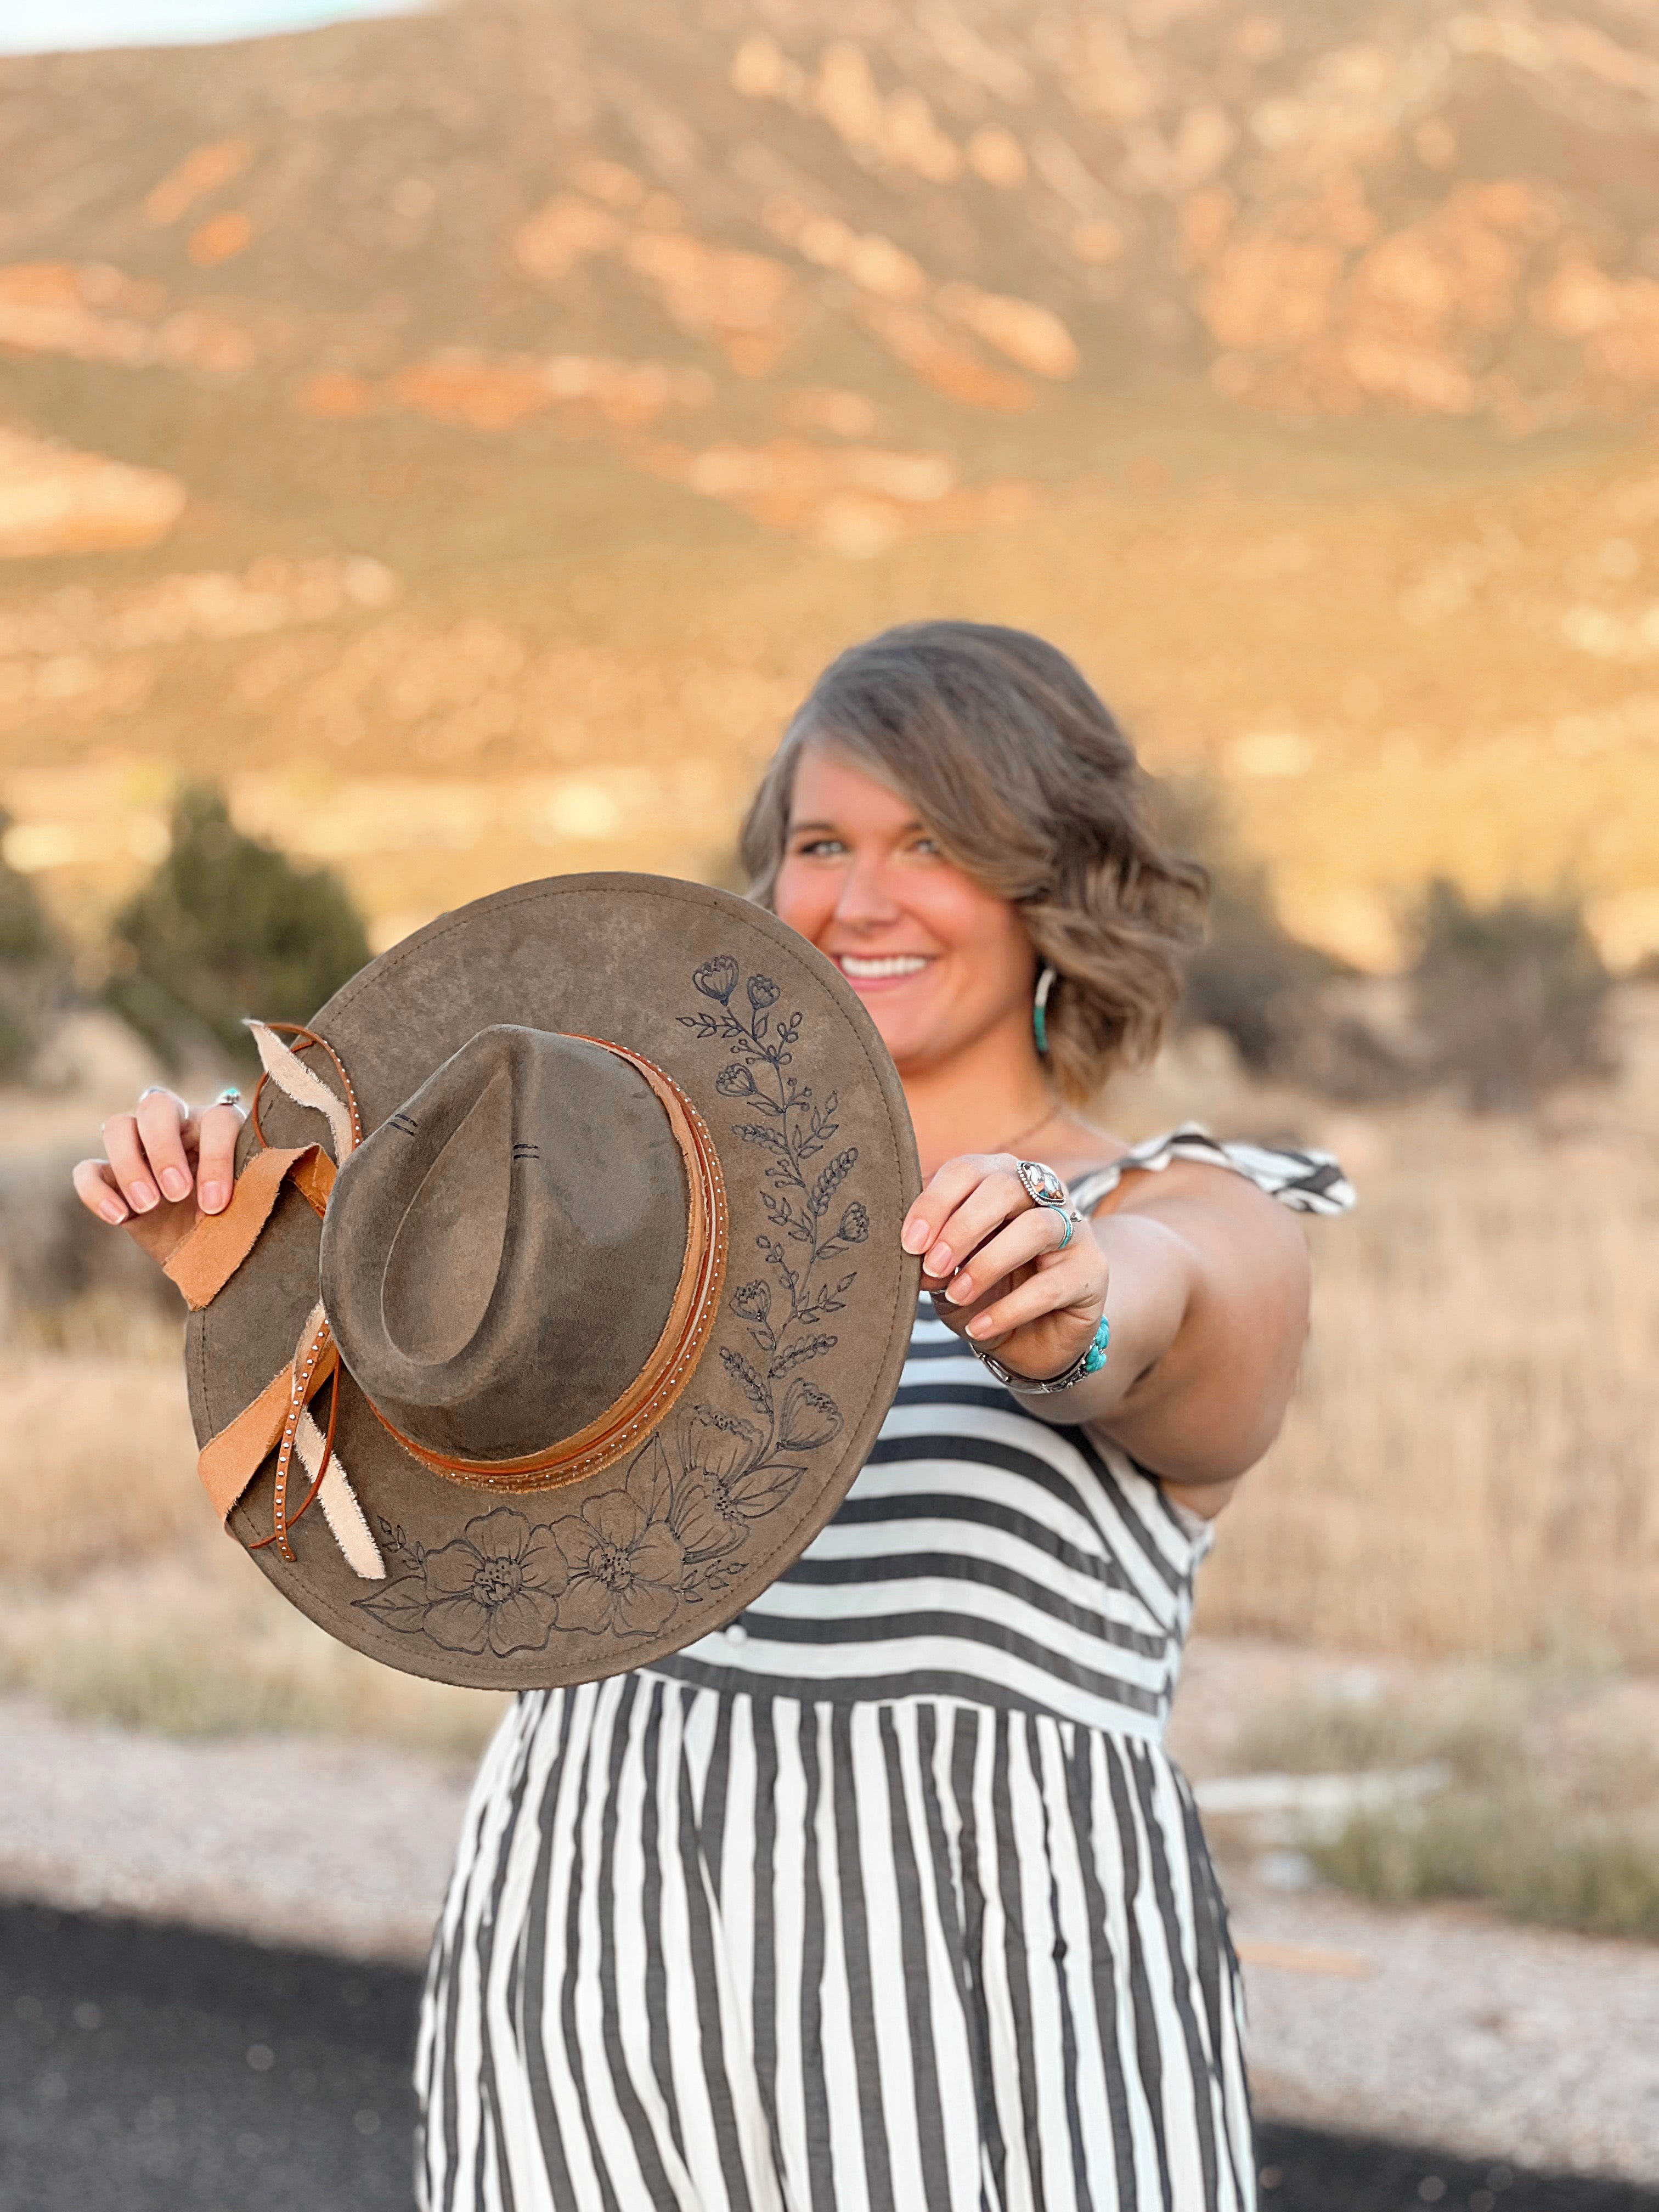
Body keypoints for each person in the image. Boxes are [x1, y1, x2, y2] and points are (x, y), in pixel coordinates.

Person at [76, 620, 1350, 2212]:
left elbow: (1169, 1320)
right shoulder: (632, 1233)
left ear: (1057, 883)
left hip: (980, 2036)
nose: (861, 898)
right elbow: (397, 1479)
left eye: (933, 844)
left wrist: (1075, 1304)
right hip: (587, 1993)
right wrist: (240, 1255)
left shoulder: (1177, 1213)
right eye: (820, 843)